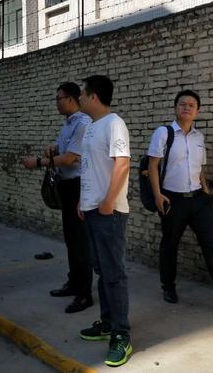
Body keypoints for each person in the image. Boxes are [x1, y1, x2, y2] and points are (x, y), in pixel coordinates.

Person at [147, 90, 213, 307]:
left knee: (210, 245)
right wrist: (157, 195)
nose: (186, 107)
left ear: (197, 111)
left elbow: (200, 168)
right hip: (172, 200)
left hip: (199, 200)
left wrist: (206, 191)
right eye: (182, 104)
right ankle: (168, 286)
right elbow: (153, 165)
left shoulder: (199, 137)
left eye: (191, 105)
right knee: (170, 244)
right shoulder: (163, 133)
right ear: (175, 108)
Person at [21, 82, 93, 313]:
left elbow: (71, 159)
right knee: (71, 239)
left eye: (58, 98)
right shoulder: (68, 124)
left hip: (78, 186)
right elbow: (65, 153)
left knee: (80, 241)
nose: (56, 103)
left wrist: (39, 162)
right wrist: (54, 149)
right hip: (67, 186)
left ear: (71, 99)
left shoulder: (82, 124)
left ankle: (84, 293)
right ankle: (74, 282)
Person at [76, 75, 133, 368]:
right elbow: (89, 167)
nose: (79, 98)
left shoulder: (114, 123)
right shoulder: (90, 127)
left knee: (113, 274)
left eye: (82, 94)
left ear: (94, 96)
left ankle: (122, 335)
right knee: (101, 270)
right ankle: (108, 324)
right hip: (91, 210)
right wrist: (83, 200)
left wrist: (108, 202)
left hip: (109, 212)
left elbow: (123, 163)